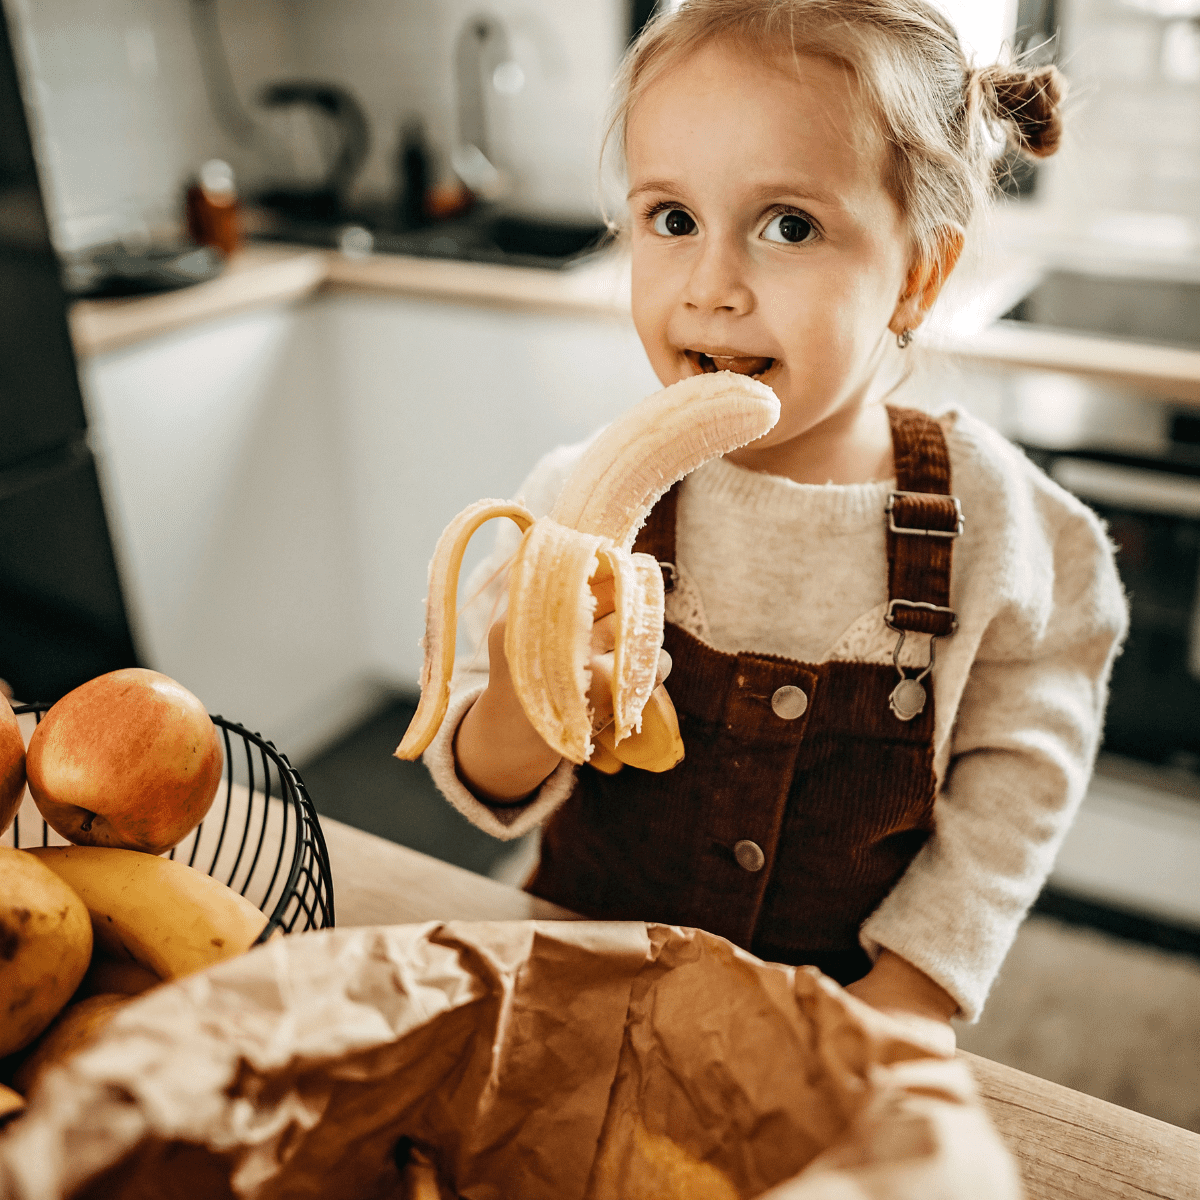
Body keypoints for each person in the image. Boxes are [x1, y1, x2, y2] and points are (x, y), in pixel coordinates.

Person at [421, 0, 1127, 1029]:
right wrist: (524, 708)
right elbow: (483, 776)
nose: (710, 288)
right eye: (671, 220)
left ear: (917, 277)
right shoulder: (573, 504)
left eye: (788, 226)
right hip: (576, 991)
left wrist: (919, 983)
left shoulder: (1005, 529)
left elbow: (1019, 775)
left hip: (831, 1023)